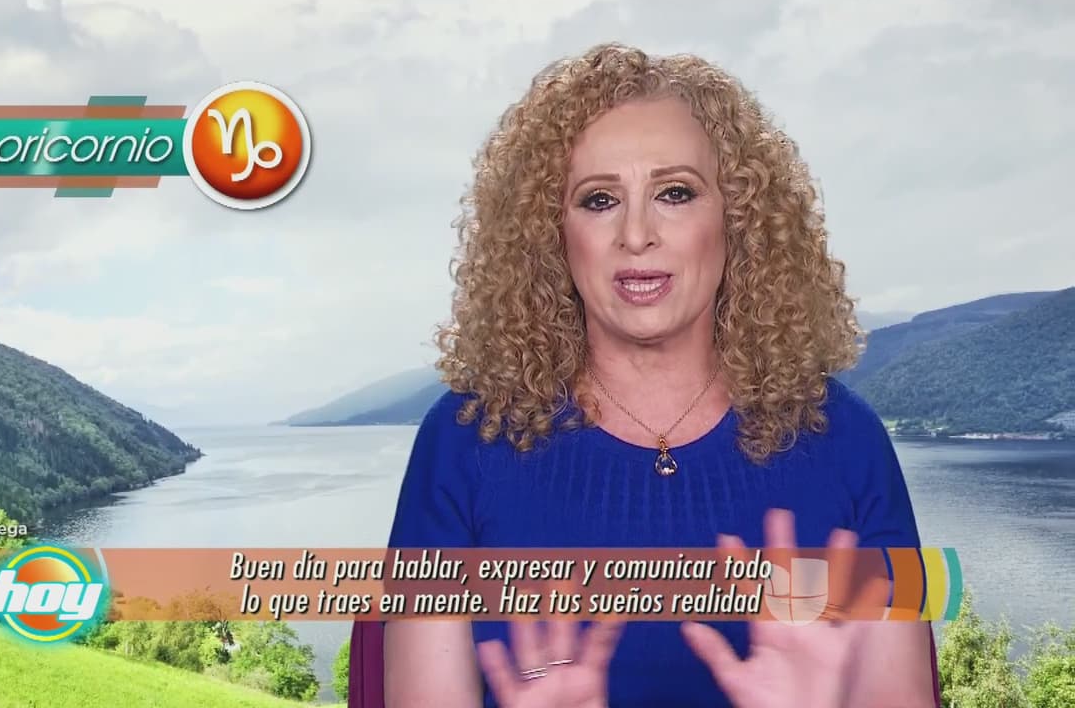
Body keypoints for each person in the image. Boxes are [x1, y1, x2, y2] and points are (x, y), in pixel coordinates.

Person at [359, 42, 939, 708]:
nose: (636, 234)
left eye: (675, 193)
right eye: (599, 199)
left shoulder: (846, 442)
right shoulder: (465, 441)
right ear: (551, 234)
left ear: (738, 219)